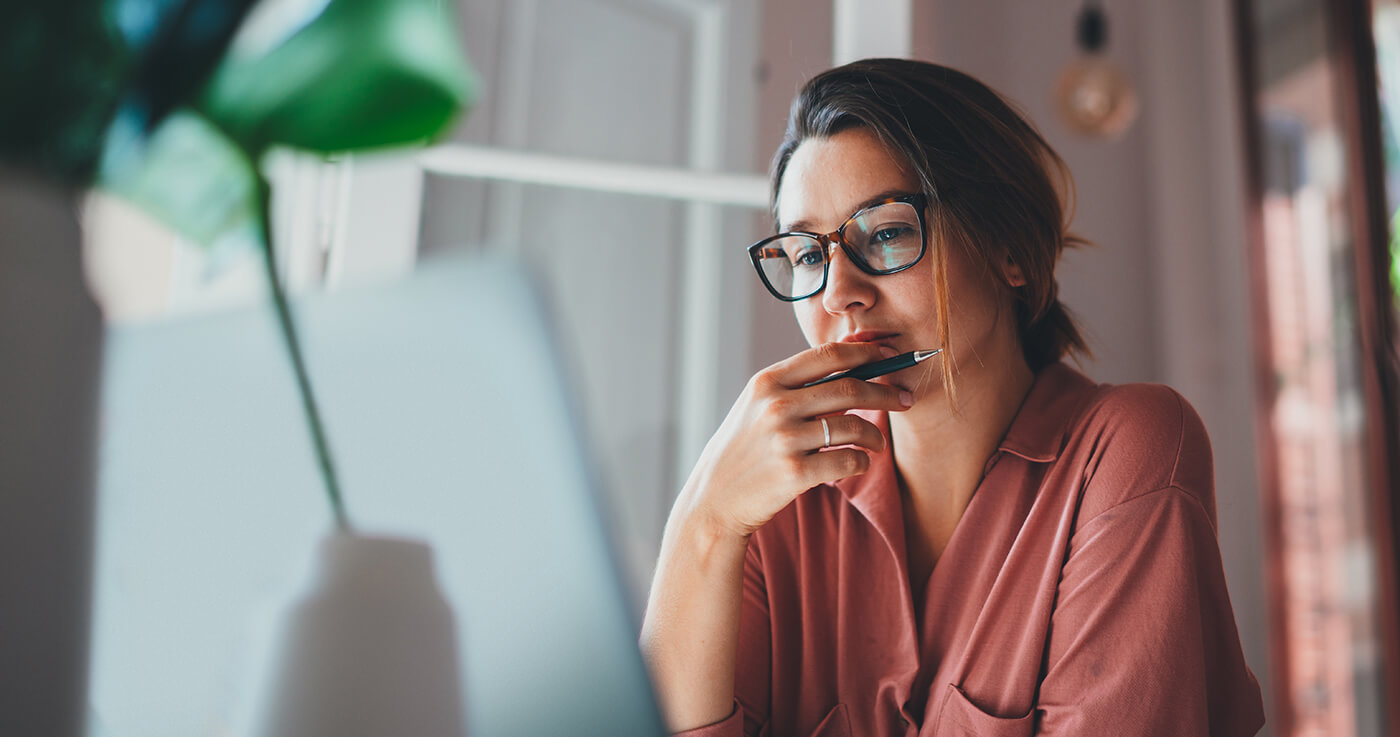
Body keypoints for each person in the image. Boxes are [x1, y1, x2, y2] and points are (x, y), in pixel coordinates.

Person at [640, 58, 1265, 737]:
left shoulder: (1127, 449)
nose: (838, 293)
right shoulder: (775, 510)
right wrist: (702, 522)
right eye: (809, 256)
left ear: (1008, 249)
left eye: (885, 233)